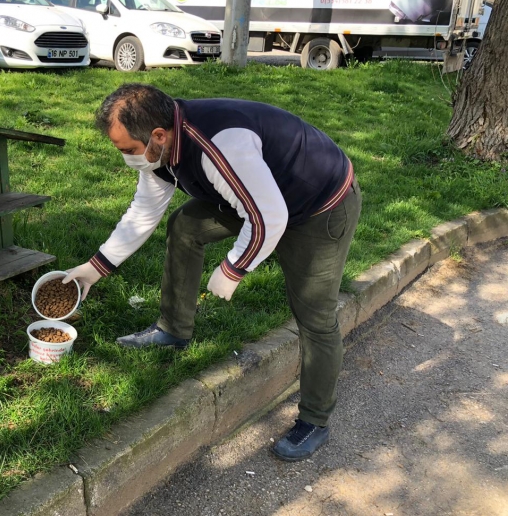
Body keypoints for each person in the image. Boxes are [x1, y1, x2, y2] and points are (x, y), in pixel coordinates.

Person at [63, 84, 361, 462]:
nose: (125, 159)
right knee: (185, 226)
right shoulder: (162, 148)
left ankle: (315, 421)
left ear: (158, 135)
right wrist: (95, 267)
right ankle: (172, 330)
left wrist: (234, 268)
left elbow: (270, 217)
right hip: (260, 196)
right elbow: (144, 212)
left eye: (127, 150)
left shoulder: (221, 146)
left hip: (319, 206)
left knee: (315, 316)